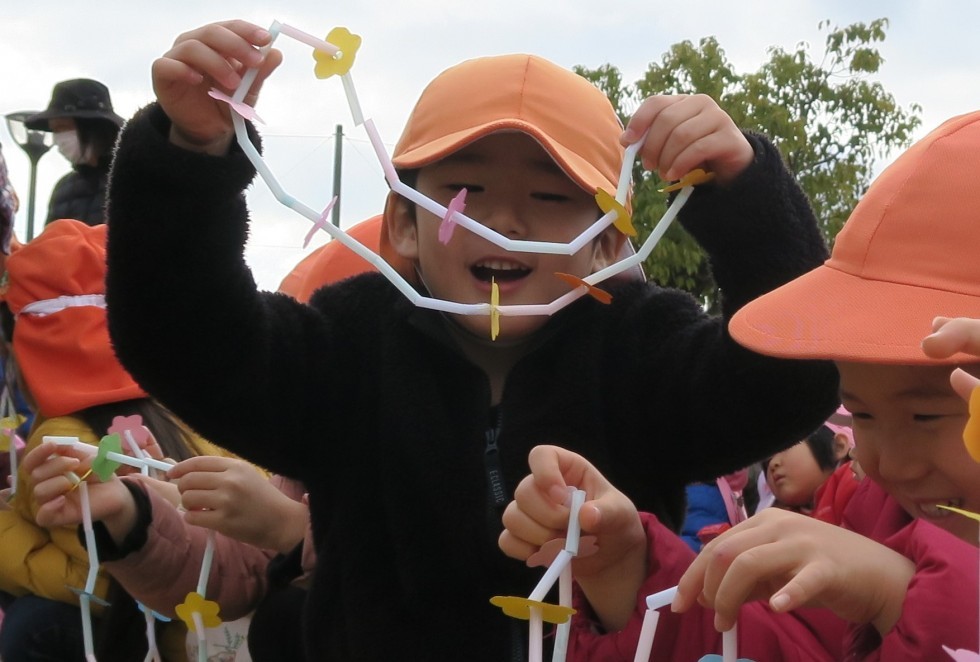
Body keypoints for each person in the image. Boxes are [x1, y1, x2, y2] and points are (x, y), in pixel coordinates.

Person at [102, 19, 839, 660]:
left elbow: (789, 381)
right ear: (402, 224)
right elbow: (184, 341)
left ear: (609, 242)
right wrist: (186, 158)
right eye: (465, 191)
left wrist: (743, 199)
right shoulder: (347, 345)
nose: (505, 223)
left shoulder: (641, 346)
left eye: (551, 198)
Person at [501, 110, 980, 659]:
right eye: (863, 413)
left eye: (926, 416)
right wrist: (624, 569)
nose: (892, 462)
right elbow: (776, 644)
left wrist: (897, 598)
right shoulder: (869, 517)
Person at [0, 220, 256, 661]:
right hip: (234, 630)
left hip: (172, 641)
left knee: (36, 621)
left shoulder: (62, 442)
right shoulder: (194, 415)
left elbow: (105, 581)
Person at [25, 78, 123, 226]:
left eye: (63, 127)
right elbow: (51, 243)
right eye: (54, 131)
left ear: (92, 127)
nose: (58, 138)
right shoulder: (64, 188)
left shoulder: (135, 178)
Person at [762, 423, 848, 514]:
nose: (772, 464)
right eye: (767, 462)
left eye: (785, 448)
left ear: (838, 446)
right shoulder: (783, 518)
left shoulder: (856, 489)